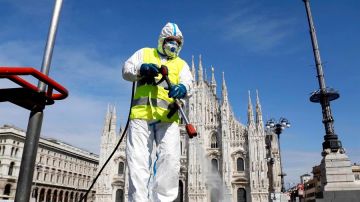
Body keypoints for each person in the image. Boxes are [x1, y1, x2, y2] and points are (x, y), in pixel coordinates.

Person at [122, 22, 193, 201]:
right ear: (162, 40)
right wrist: (141, 69)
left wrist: (182, 88)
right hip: (141, 117)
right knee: (138, 163)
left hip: (167, 119)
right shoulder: (144, 53)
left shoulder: (181, 64)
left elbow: (189, 83)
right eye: (171, 40)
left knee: (170, 161)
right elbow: (126, 70)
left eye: (177, 42)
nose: (174, 45)